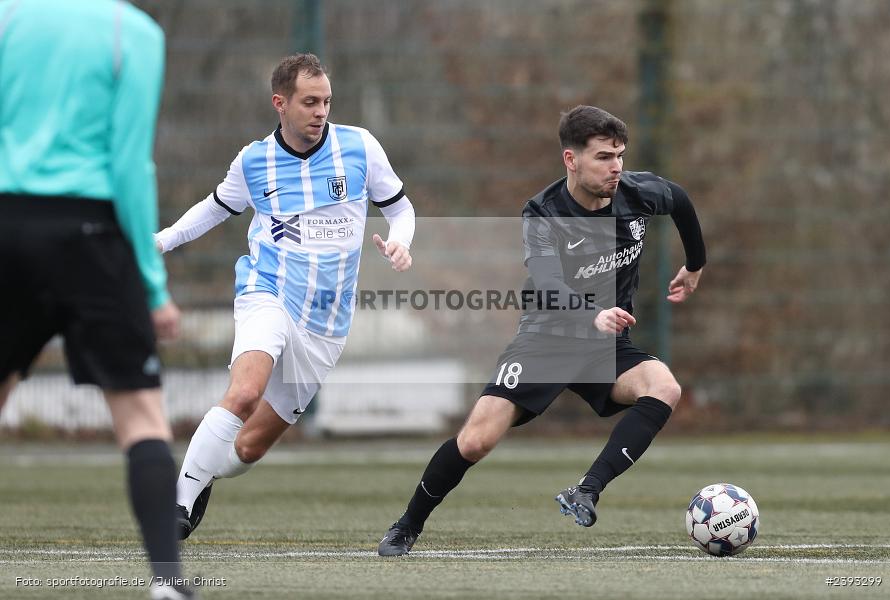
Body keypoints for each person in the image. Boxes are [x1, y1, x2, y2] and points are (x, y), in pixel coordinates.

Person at [377, 105, 706, 556]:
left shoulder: (638, 193)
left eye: (620, 156)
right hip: (545, 341)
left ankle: (587, 490)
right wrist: (592, 312)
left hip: (605, 346)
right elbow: (549, 285)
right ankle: (406, 526)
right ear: (571, 160)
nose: (616, 168)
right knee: (475, 440)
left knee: (664, 387)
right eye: (604, 158)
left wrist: (694, 265)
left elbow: (682, 201)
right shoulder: (543, 213)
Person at [155, 53, 415, 540]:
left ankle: (205, 469)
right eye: (310, 102)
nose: (321, 112)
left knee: (247, 451)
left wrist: (402, 240)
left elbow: (401, 209)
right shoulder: (253, 161)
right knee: (245, 392)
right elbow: (215, 208)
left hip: (326, 323)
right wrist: (164, 240)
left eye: (327, 102)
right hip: (267, 291)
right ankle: (178, 505)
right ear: (281, 103)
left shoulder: (359, 147)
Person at [0, 1, 191, 598]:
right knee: (140, 415)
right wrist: (153, 286)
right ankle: (166, 584)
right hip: (92, 234)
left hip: (6, 225)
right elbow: (131, 166)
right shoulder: (131, 32)